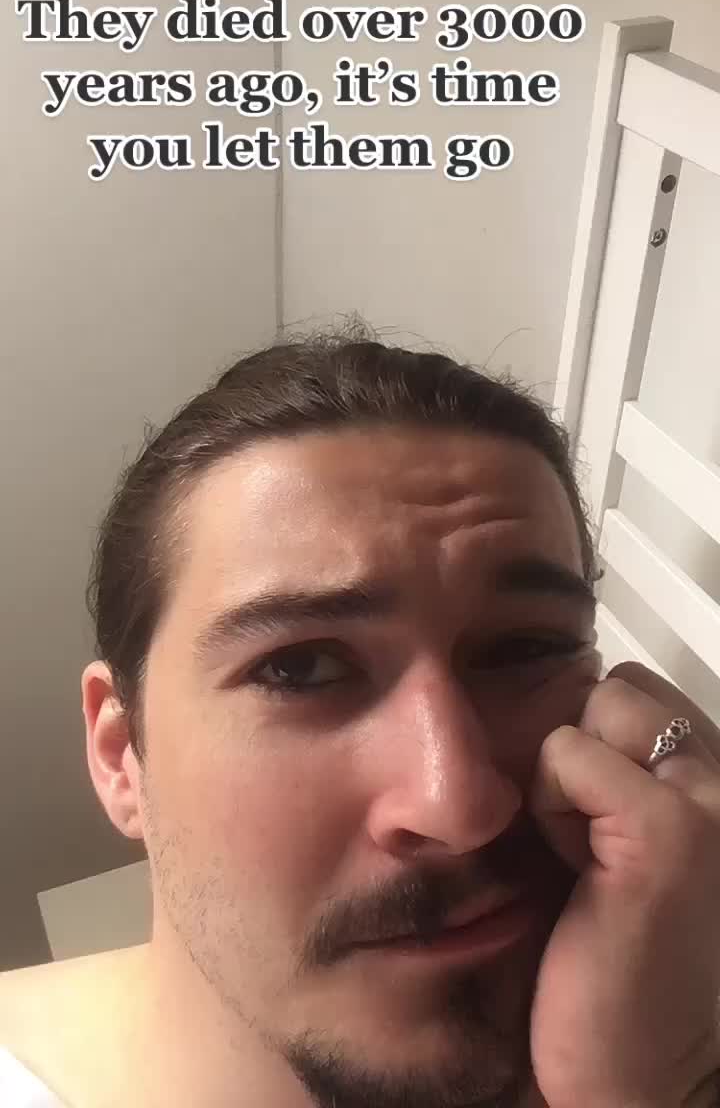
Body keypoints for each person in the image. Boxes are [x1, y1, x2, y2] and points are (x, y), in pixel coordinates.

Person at [2, 321, 720, 1108]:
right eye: (299, 668)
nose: (459, 806)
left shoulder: (659, 1033)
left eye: (524, 648)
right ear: (119, 756)